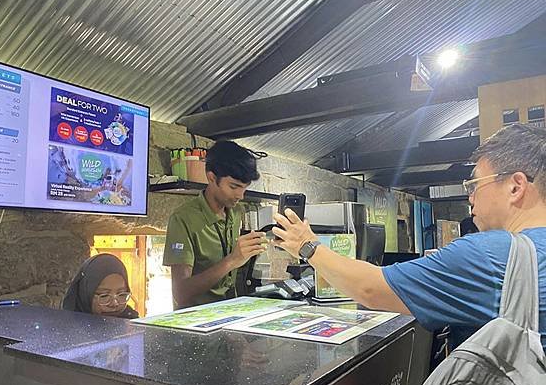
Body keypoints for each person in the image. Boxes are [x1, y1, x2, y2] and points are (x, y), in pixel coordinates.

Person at [272, 124, 546, 349]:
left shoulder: (489, 255)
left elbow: (371, 289)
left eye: (474, 184)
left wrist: (307, 245)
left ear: (515, 186)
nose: (470, 197)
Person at [163, 141, 267, 309]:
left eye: (244, 188)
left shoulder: (235, 212)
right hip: (196, 323)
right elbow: (180, 293)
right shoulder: (183, 219)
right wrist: (232, 260)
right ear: (211, 177)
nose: (240, 195)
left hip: (229, 314)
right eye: (234, 186)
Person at [62, 253, 138, 319]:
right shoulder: (66, 328)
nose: (114, 303)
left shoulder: (132, 323)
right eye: (104, 296)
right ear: (85, 294)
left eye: (121, 294)